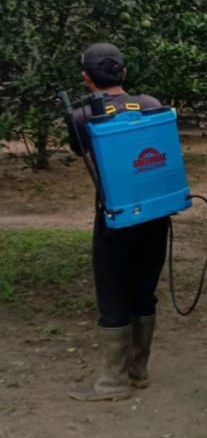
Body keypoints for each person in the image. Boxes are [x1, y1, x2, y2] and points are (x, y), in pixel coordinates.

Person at [66, 43, 168, 402]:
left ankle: (112, 382)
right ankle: (138, 371)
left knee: (113, 293)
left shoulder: (80, 115)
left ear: (86, 78)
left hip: (115, 217)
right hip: (156, 214)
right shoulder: (152, 105)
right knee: (144, 289)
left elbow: (81, 152)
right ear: (123, 73)